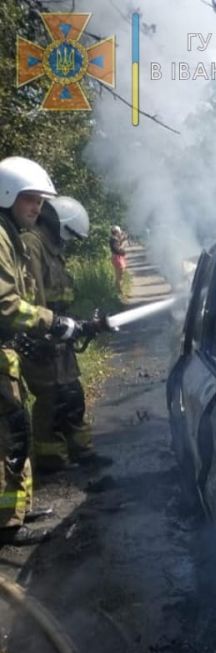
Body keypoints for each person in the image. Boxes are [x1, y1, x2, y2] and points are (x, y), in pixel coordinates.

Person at [0, 156, 94, 542]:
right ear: (7, 195)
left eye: (40, 201)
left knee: (15, 431)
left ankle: (15, 513)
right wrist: (52, 322)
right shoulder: (2, 238)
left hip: (7, 349)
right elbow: (6, 303)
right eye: (30, 199)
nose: (37, 208)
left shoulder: (11, 236)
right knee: (10, 436)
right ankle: (7, 526)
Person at [21, 196, 112, 473]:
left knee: (72, 395)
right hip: (41, 340)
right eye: (69, 235)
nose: (69, 242)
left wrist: (80, 325)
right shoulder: (32, 245)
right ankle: (53, 461)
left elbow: (61, 298)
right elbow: (34, 299)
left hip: (60, 336)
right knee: (52, 399)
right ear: (59, 224)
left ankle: (82, 451)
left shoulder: (53, 249)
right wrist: (47, 334)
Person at [109, 225, 128, 295]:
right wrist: (124, 245)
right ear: (116, 232)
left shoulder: (114, 239)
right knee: (119, 276)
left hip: (117, 257)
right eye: (119, 232)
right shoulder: (114, 239)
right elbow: (117, 249)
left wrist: (122, 240)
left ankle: (118, 292)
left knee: (119, 276)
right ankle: (119, 292)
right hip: (117, 258)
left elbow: (117, 244)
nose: (120, 233)